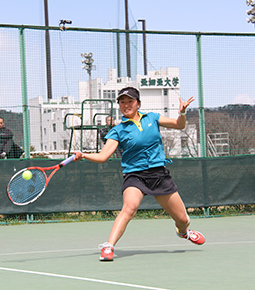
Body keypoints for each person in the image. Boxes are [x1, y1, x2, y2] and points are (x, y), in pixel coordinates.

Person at [73, 86, 205, 262]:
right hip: (135, 175)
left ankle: (183, 232)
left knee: (183, 219)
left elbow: (179, 125)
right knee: (129, 208)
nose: (126, 105)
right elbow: (103, 156)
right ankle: (108, 246)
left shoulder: (152, 118)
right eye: (122, 102)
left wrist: (182, 113)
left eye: (130, 101)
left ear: (138, 104)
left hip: (158, 174)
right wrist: (83, 155)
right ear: (119, 105)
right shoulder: (118, 131)